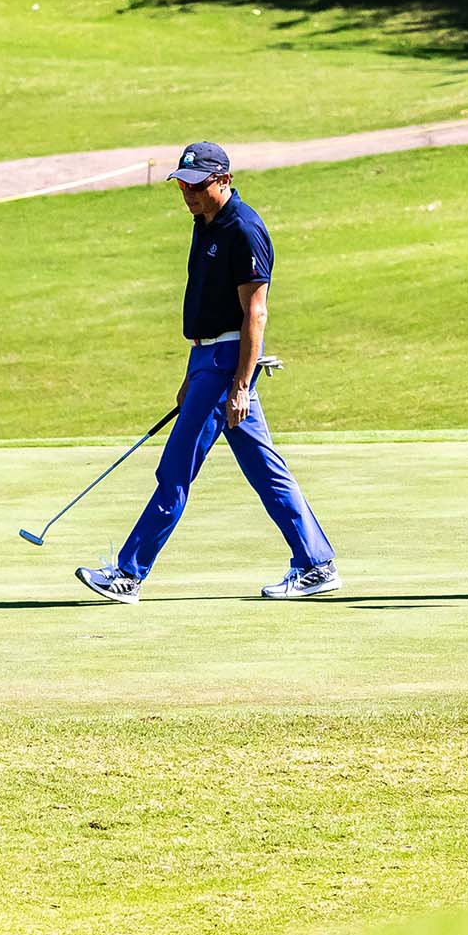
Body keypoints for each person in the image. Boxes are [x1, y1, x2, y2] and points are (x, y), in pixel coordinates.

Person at [75, 142, 340, 603]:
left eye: (198, 186)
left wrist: (240, 385)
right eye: (183, 185)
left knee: (175, 469)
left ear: (225, 181)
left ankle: (128, 574)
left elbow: (254, 315)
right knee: (266, 470)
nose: (189, 194)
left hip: (226, 367)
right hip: (206, 363)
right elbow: (203, 308)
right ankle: (316, 563)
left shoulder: (244, 230)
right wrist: (189, 374)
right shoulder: (204, 223)